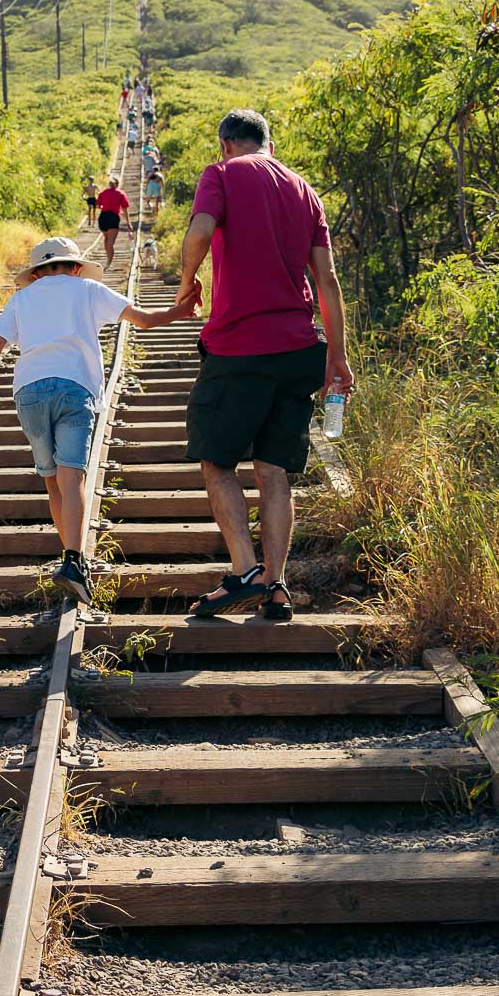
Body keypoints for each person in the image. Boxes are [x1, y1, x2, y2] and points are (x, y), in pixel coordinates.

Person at [176, 108, 354, 621]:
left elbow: (200, 232)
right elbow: (328, 281)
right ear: (267, 143)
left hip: (239, 347)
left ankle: (245, 571)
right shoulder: (305, 190)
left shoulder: (222, 174)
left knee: (216, 461)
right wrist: (337, 358)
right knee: (275, 472)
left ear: (226, 144)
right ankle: (276, 585)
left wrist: (188, 282)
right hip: (300, 348)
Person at [0, 237, 198, 602]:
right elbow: (144, 320)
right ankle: (74, 560)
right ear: (75, 267)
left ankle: (71, 560)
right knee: (73, 476)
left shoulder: (22, 298)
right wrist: (180, 311)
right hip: (75, 387)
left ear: (38, 273)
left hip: (30, 392)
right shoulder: (88, 288)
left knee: (53, 482)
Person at [96, 174, 132, 266]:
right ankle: (108, 262)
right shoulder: (120, 194)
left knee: (106, 238)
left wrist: (105, 206)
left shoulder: (103, 193)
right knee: (111, 242)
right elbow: (125, 209)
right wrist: (128, 223)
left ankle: (108, 258)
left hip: (103, 217)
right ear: (117, 184)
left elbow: (98, 206)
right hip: (113, 218)